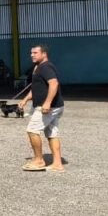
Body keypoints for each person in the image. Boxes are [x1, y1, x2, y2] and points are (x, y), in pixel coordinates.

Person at [18, 44, 65, 173]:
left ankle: (39, 160)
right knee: (52, 133)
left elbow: (54, 84)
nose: (32, 55)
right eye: (31, 53)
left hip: (48, 107)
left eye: (35, 53)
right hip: (55, 106)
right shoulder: (38, 67)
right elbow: (36, 88)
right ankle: (57, 164)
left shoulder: (45, 67)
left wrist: (47, 103)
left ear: (44, 54)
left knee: (32, 130)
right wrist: (25, 99)